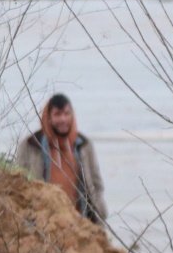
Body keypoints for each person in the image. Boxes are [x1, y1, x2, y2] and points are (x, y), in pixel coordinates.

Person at [15, 94, 108, 226]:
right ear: (48, 117)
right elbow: (19, 183)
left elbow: (97, 183)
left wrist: (100, 212)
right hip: (44, 224)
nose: (63, 119)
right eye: (57, 114)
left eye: (66, 113)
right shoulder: (31, 145)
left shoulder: (84, 146)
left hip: (81, 223)